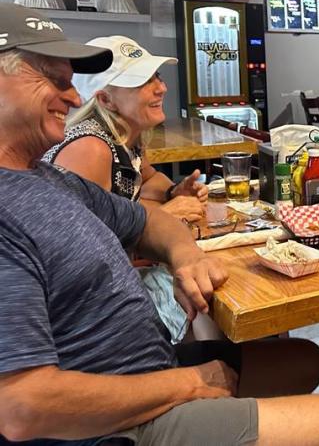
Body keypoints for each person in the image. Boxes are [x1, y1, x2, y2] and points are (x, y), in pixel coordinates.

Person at [0, 3, 319, 446]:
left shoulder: (47, 178)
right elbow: (22, 408)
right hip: (113, 428)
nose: (75, 97)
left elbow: (148, 221)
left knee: (304, 359)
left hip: (149, 365)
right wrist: (191, 384)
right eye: (55, 80)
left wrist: (185, 256)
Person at [43, 36, 211, 342]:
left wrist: (175, 191)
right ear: (105, 100)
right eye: (143, 81)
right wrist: (164, 218)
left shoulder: (124, 135)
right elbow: (86, 257)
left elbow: (147, 180)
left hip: (119, 281)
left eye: (156, 76)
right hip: (91, 314)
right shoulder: (90, 148)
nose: (161, 88)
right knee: (207, 295)